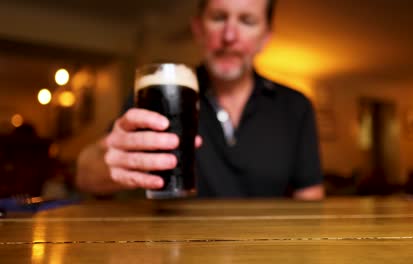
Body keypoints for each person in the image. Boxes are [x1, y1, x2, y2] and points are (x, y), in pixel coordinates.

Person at [76, 0, 324, 200]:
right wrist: (110, 166)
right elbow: (84, 176)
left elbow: (310, 199)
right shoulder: (158, 95)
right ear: (198, 28)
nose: (229, 35)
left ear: (266, 37)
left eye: (247, 21)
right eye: (218, 17)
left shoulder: (296, 106)